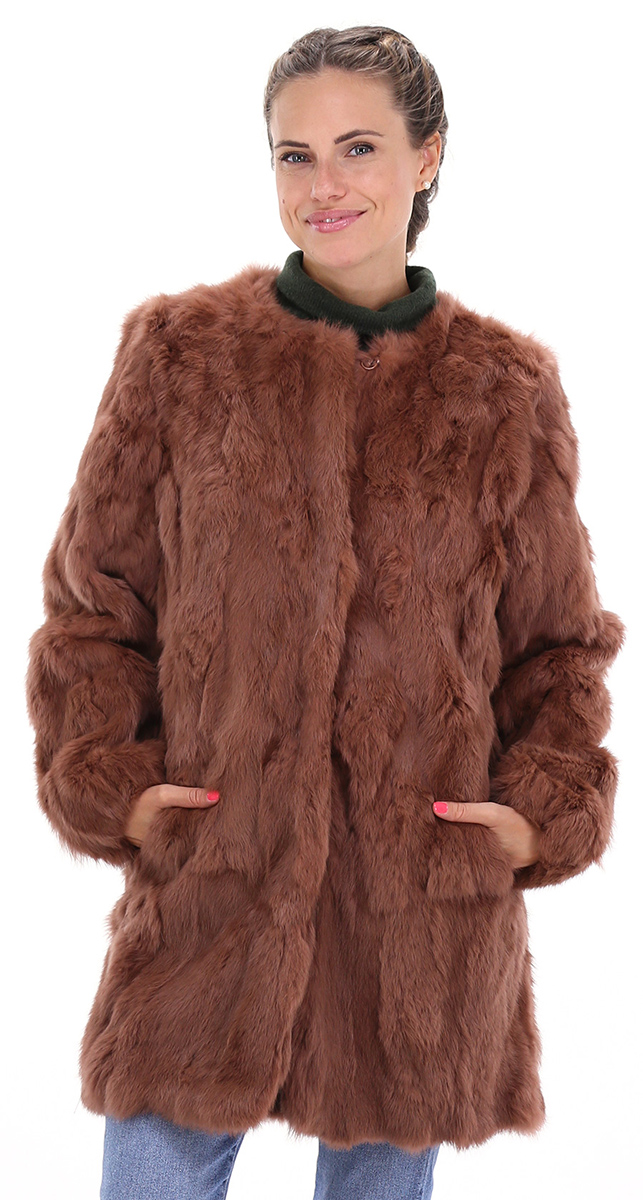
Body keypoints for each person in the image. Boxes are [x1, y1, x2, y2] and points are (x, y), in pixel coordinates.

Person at [25, 24, 625, 1200]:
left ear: (427, 156)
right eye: (293, 155)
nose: (323, 185)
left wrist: (537, 814)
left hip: (420, 911)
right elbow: (94, 611)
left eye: (358, 147)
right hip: (211, 885)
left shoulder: (503, 392)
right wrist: (109, 781)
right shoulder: (181, 358)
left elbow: (556, 648)